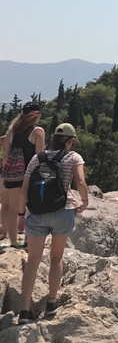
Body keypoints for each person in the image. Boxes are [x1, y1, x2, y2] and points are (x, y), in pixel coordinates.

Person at [17, 123, 88, 324]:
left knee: (32, 261)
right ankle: (51, 302)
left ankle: (24, 311)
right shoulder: (73, 157)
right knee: (56, 258)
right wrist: (85, 201)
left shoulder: (37, 158)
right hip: (62, 211)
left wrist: (21, 215)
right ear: (70, 140)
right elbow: (80, 183)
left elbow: (24, 190)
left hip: (37, 213)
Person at [2, 102, 46, 248]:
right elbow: (39, 157)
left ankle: (13, 241)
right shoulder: (37, 131)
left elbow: (6, 156)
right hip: (29, 175)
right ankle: (27, 240)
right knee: (29, 208)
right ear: (37, 114)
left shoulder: (12, 132)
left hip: (13, 175)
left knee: (12, 208)